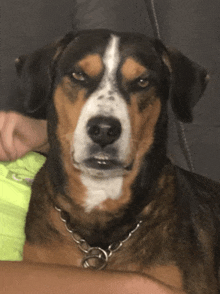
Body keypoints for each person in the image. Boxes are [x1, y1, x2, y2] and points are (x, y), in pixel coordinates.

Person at [1, 0, 219, 293]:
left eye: (140, 83)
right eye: (79, 77)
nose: (105, 121)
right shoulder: (43, 218)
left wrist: (36, 132)